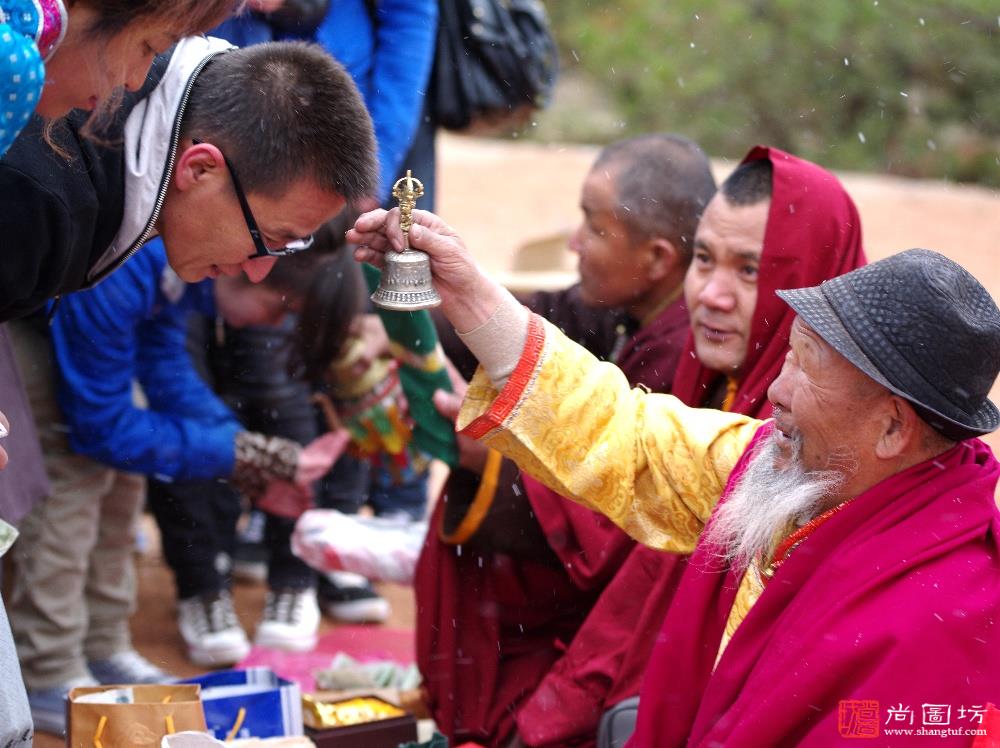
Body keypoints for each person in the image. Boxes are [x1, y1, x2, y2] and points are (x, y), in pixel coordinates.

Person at [351, 183, 1000, 744]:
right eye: (790, 355)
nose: (777, 389)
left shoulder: (943, 621)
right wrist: (468, 293)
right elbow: (622, 430)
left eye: (807, 369)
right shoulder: (779, 468)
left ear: (891, 426)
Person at [511, 148, 866, 747]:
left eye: (750, 271)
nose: (712, 295)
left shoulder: (820, 450)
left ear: (811, 279)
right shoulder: (711, 384)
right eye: (704, 260)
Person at [414, 133, 717, 745]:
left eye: (595, 227)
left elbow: (615, 512)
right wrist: (419, 293)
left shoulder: (681, 352)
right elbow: (529, 321)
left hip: (587, 630)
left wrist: (486, 454)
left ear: (658, 259)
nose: (575, 243)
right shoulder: (623, 307)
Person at [7, 239, 344, 734]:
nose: (272, 327)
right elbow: (99, 427)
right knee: (72, 479)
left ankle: (104, 646)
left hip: (80, 340)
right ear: (252, 271)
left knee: (124, 477)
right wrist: (244, 455)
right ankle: (47, 668)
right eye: (278, 310)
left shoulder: (184, 269)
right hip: (27, 331)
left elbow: (164, 367)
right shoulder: (131, 267)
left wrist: (248, 452)